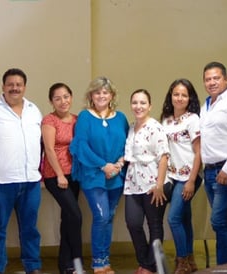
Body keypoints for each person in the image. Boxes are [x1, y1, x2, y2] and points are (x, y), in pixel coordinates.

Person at [0, 68, 43, 274]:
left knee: (30, 228)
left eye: (19, 85)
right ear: (3, 87)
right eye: (10, 84)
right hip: (0, 182)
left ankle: (32, 266)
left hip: (31, 181)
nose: (15, 88)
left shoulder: (34, 109)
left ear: (24, 87)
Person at [70, 77, 128, 274]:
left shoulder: (120, 118)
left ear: (111, 95)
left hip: (116, 176)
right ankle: (97, 263)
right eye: (97, 92)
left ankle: (105, 261)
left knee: (109, 217)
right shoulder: (85, 117)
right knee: (101, 216)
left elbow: (128, 145)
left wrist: (119, 164)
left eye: (105, 92)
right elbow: (81, 146)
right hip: (93, 175)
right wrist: (104, 165)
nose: (101, 95)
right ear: (91, 96)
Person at [124, 89, 169, 274]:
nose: (138, 106)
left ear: (150, 106)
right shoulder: (132, 126)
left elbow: (164, 157)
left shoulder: (156, 127)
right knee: (133, 223)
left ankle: (150, 266)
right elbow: (129, 155)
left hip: (153, 183)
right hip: (133, 183)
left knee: (154, 225)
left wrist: (159, 185)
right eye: (135, 102)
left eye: (143, 103)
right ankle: (144, 262)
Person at [160, 79, 202, 274]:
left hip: (188, 177)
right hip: (172, 176)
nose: (179, 98)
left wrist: (192, 181)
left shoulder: (193, 119)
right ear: (171, 96)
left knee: (174, 218)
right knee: (184, 218)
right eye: (176, 94)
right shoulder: (165, 120)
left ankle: (182, 261)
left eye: (184, 95)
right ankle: (190, 260)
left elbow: (199, 152)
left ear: (189, 98)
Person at [41, 83, 82, 274]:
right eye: (57, 98)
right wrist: (59, 174)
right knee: (75, 216)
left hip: (75, 174)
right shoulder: (49, 120)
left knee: (68, 218)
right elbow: (49, 149)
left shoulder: (77, 119)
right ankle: (77, 261)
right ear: (51, 101)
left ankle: (66, 265)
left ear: (71, 98)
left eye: (66, 97)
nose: (62, 101)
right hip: (55, 175)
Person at [199, 61, 227, 265]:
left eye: (216, 78)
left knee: (219, 221)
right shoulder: (206, 105)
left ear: (226, 79)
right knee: (223, 222)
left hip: (225, 170)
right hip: (210, 172)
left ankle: (224, 267)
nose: (211, 82)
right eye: (208, 79)